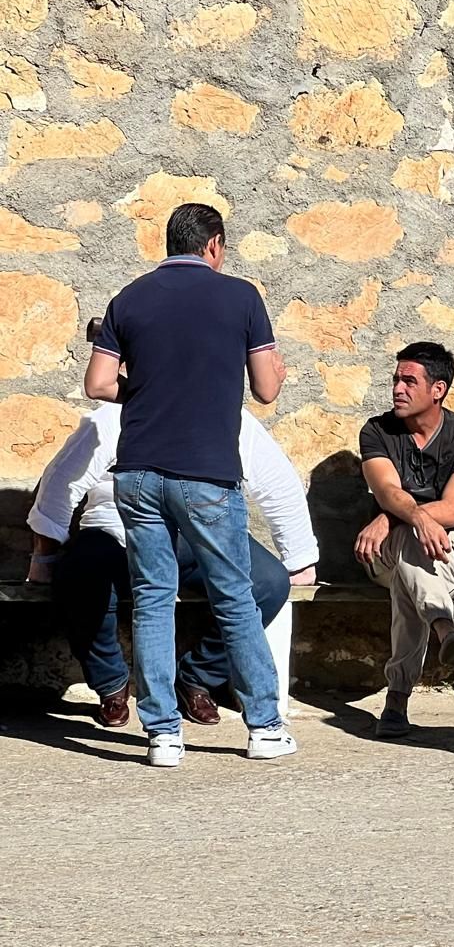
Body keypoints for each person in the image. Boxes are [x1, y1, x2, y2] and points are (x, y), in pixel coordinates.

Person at [83, 202, 295, 767]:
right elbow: (268, 389)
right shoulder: (241, 297)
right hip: (205, 474)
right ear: (215, 245)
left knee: (153, 600)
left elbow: (99, 383)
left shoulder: (128, 298)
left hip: (137, 472)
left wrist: (146, 390)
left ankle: (162, 737)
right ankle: (266, 727)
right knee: (234, 598)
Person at [26, 390, 317, 729]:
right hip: (117, 530)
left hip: (200, 535)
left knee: (269, 583)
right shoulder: (111, 418)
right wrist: (43, 560)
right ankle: (111, 684)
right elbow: (60, 483)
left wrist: (298, 558)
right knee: (79, 576)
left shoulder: (226, 415)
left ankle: (197, 677)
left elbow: (277, 483)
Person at [356, 341, 454, 739]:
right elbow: (386, 490)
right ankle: (444, 626)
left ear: (438, 390)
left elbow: (452, 509)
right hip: (384, 552)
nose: (398, 388)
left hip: (452, 550)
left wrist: (394, 521)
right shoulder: (377, 431)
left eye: (409, 381)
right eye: (396, 379)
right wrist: (404, 518)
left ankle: (397, 700)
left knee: (407, 576)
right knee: (410, 548)